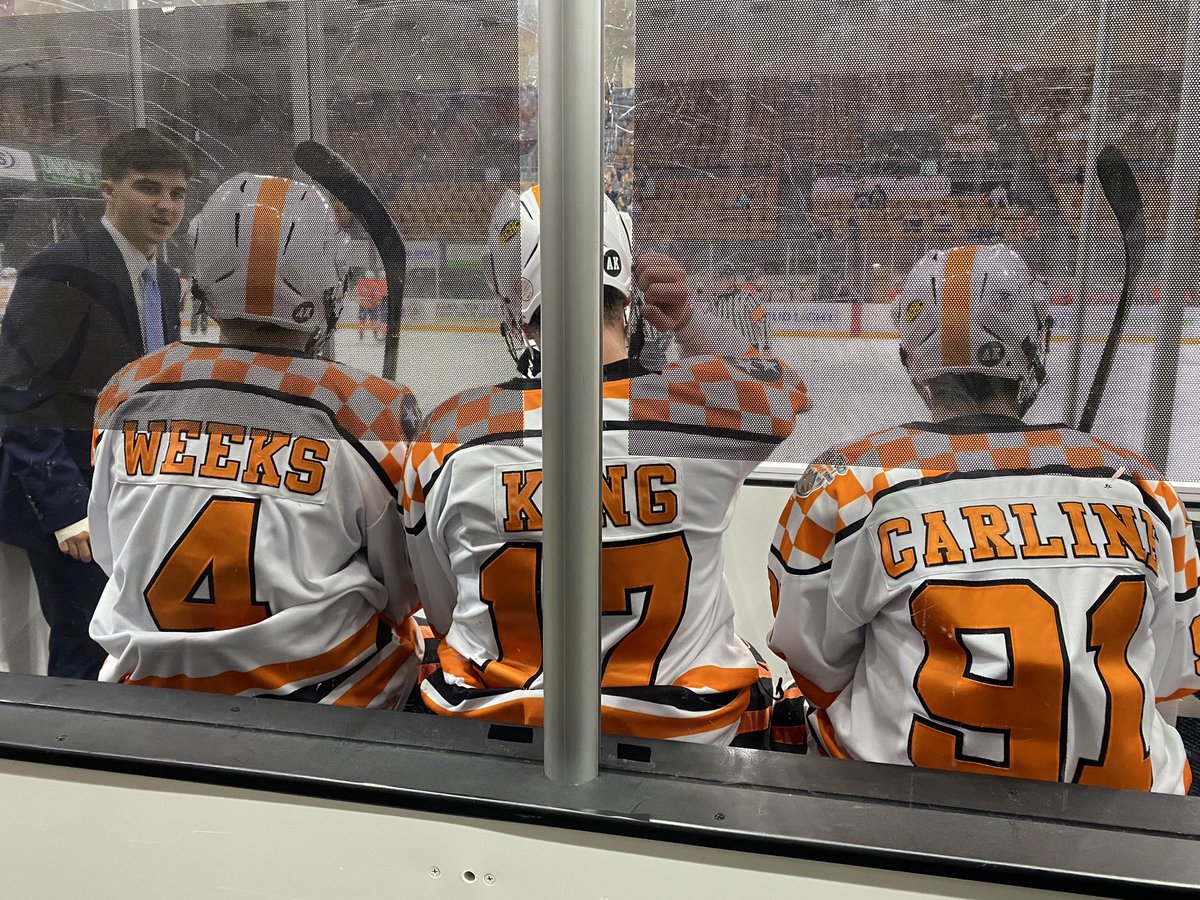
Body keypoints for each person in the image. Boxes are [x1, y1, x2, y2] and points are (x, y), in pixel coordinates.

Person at [768, 244, 1200, 793]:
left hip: (901, 816)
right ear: (1034, 345)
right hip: (1130, 821)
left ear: (913, 359)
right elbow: (1172, 678)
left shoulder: (849, 483)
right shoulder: (1145, 490)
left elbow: (815, 665)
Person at [402, 187, 808, 743]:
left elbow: (443, 606)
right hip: (686, 735)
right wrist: (687, 321)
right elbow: (780, 387)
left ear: (516, 312)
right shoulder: (713, 411)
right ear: (628, 294)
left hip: (498, 735)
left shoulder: (451, 430)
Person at [88, 173, 423, 707]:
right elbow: (404, 589)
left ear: (201, 277)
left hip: (150, 693)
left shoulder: (130, 390)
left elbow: (116, 550)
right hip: (329, 699)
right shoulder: (374, 411)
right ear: (329, 280)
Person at [0, 129, 193, 678]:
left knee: (126, 630)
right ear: (109, 190)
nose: (165, 206)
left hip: (135, 485)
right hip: (73, 495)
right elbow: (18, 396)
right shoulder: (60, 269)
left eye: (177, 193)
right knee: (83, 638)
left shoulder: (164, 277)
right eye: (148, 188)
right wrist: (67, 512)